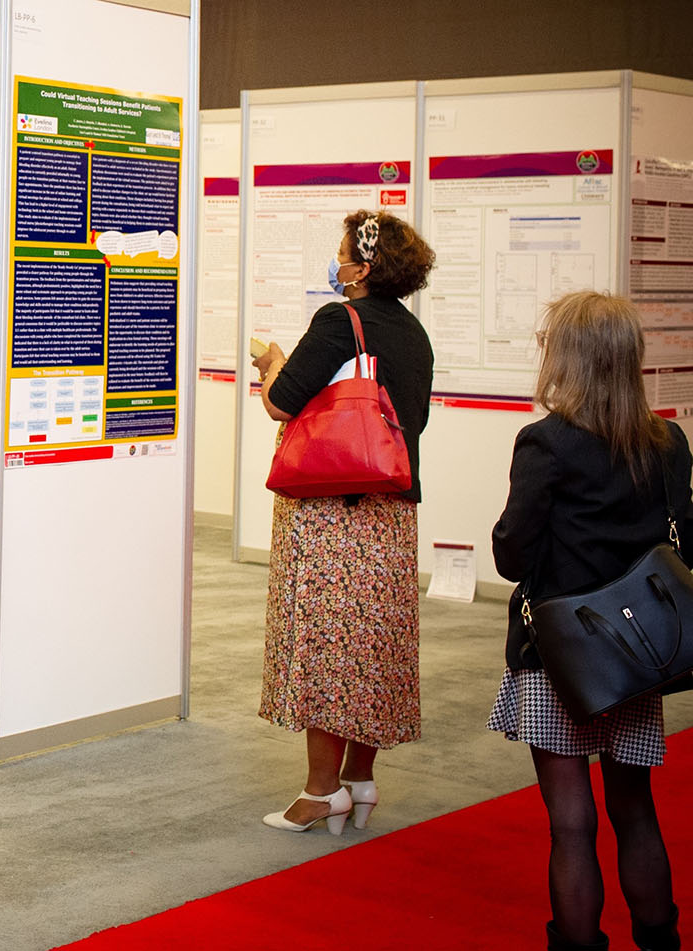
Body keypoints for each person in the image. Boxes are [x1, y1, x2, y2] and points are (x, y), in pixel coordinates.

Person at [490, 291, 685, 951]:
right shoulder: (669, 442)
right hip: (639, 653)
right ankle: (659, 940)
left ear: (567, 358)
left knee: (571, 824)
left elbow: (512, 555)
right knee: (635, 808)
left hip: (560, 655)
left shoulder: (546, 442)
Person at [250, 209, 435, 834]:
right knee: (372, 647)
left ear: (361, 268)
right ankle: (360, 779)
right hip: (391, 513)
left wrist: (274, 363)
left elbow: (282, 403)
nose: (337, 264)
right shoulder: (413, 333)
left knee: (328, 650)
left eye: (343, 254)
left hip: (334, 514)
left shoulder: (339, 320)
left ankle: (320, 792)